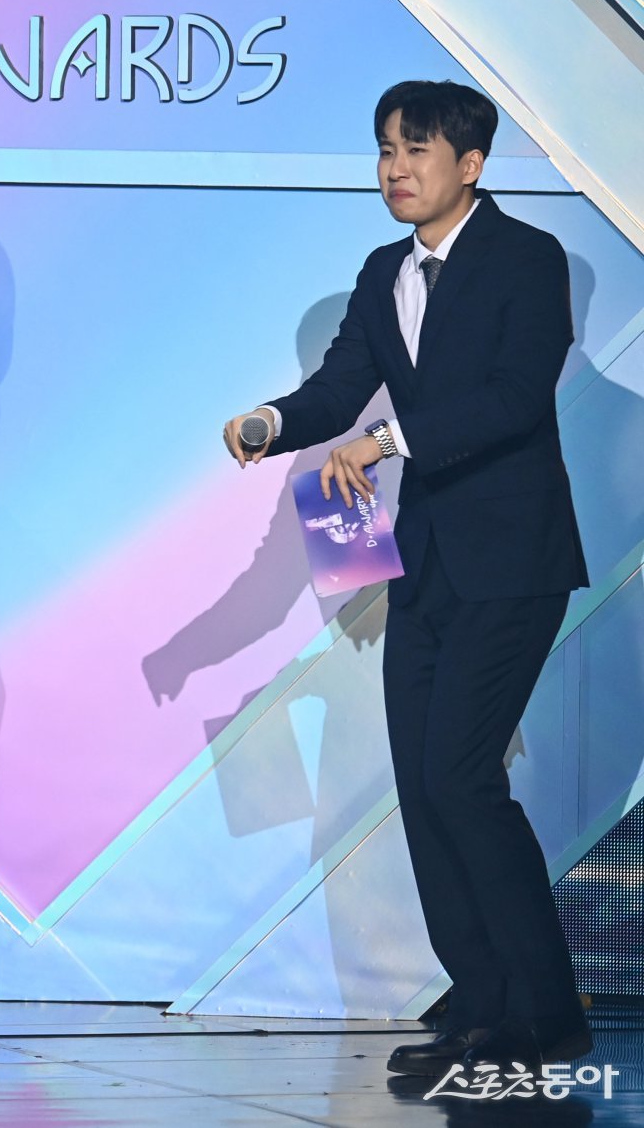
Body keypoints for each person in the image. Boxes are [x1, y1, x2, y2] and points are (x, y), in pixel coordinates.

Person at [223, 80, 590, 1078]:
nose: (394, 168)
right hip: (421, 565)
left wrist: (386, 440)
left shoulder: (527, 259)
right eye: (386, 148)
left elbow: (515, 398)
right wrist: (271, 423)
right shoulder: (384, 269)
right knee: (426, 791)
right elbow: (341, 386)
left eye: (416, 149)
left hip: (512, 561)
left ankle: (545, 1011)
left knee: (461, 779)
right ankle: (480, 999)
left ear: (471, 164)